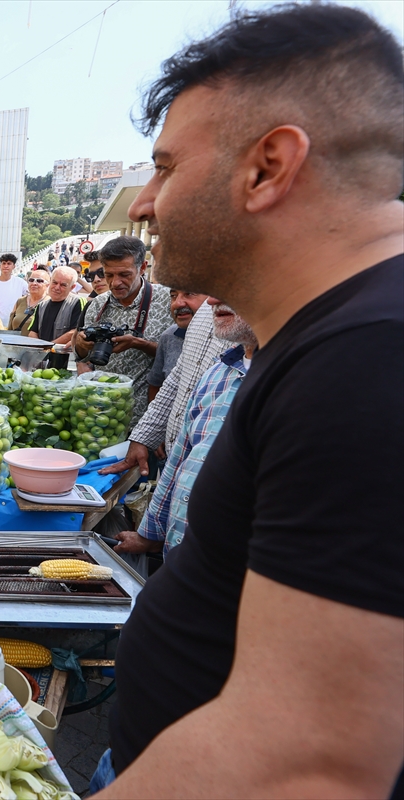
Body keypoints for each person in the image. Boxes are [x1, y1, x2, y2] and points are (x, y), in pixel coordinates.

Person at [93, 6, 404, 796]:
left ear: (268, 166)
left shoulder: (368, 358)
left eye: (165, 167)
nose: (143, 203)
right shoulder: (325, 339)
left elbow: (309, 762)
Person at [113, 299, 256, 559]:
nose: (211, 298)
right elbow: (180, 460)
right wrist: (151, 534)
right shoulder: (218, 372)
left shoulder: (304, 383)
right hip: (184, 563)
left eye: (231, 281)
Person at [101, 302, 223, 478]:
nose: (178, 302)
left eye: (190, 293)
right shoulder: (203, 314)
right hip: (175, 461)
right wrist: (143, 438)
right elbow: (174, 383)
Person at [71, 236, 171, 421]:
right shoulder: (98, 304)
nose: (115, 283)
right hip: (101, 414)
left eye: (124, 275)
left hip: (146, 418)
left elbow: (181, 357)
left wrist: (139, 344)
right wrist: (81, 345)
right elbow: (81, 356)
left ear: (142, 268)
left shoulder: (169, 301)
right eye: (109, 275)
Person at [146, 288, 206, 402]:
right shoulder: (169, 336)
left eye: (189, 293)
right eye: (173, 295)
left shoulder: (231, 340)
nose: (177, 303)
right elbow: (156, 385)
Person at [23, 266, 87, 369]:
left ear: (72, 287)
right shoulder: (42, 305)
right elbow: (33, 332)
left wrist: (48, 347)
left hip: (64, 362)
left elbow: (75, 331)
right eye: (55, 282)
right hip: (41, 361)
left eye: (63, 285)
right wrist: (40, 350)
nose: (57, 287)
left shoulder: (78, 302)